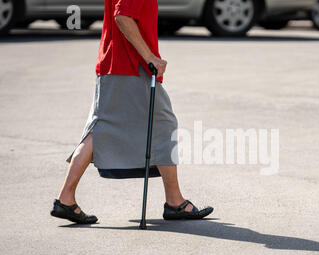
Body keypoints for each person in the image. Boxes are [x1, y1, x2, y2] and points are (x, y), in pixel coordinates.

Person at [50, 0, 213, 224]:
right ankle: (175, 202)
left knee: (103, 128)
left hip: (119, 64)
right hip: (129, 66)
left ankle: (66, 198)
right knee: (160, 125)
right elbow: (122, 16)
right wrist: (149, 57)